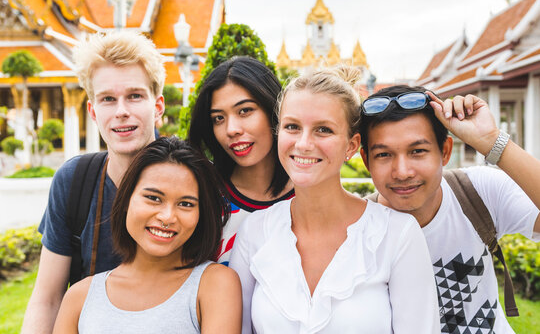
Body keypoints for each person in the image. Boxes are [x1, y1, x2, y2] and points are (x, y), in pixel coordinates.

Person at [229, 67, 440, 333]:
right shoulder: (256, 231)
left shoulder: (397, 235)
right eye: (292, 127)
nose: (304, 143)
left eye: (323, 130)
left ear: (351, 146)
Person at [359, 85, 540, 333]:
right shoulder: (356, 232)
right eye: (383, 155)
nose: (402, 172)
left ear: (444, 152)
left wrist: (491, 142)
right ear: (366, 160)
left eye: (418, 151)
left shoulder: (477, 191)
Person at [22, 31, 166, 333]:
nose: (121, 111)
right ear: (92, 110)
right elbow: (47, 299)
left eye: (135, 96)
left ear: (158, 106)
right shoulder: (74, 181)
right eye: (108, 100)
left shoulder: (193, 180)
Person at [52, 137, 241, 333]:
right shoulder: (79, 298)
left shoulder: (214, 284)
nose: (167, 217)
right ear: (126, 200)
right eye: (153, 198)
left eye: (186, 204)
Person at [189, 56, 293, 265]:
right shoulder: (202, 197)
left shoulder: (311, 192)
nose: (231, 129)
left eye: (245, 111)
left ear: (274, 109)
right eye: (219, 118)